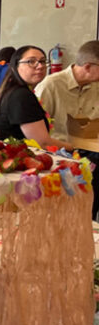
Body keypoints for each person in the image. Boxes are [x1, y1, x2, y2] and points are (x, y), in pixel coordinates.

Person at [35, 40, 99, 217]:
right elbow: (36, 131)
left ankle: (89, 222)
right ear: (87, 67)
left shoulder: (95, 86)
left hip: (90, 148)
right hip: (58, 151)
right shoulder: (51, 85)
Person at [0, 45, 73, 150]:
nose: (40, 66)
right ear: (15, 66)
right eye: (31, 61)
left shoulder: (11, 90)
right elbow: (42, 143)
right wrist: (72, 148)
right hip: (9, 158)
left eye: (43, 61)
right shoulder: (21, 96)